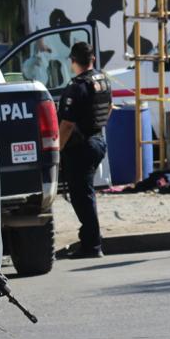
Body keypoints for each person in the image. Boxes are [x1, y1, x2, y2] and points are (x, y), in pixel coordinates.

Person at [58, 43, 111, 259]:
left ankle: (91, 245)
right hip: (97, 141)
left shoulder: (77, 86)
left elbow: (67, 125)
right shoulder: (102, 79)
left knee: (82, 197)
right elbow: (109, 108)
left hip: (81, 147)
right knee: (85, 194)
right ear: (92, 60)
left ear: (73, 61)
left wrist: (56, 151)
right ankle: (90, 240)